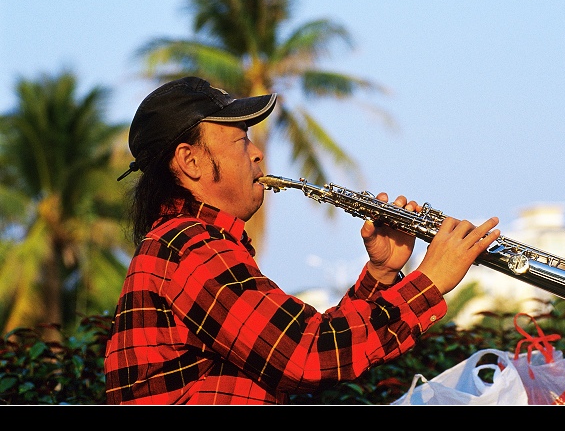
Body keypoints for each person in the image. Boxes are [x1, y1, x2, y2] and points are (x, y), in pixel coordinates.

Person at [104, 76, 500, 405]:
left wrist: (381, 274)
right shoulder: (191, 247)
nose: (258, 154)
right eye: (241, 140)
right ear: (191, 162)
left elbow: (304, 352)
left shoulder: (184, 243)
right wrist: (429, 281)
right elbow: (307, 355)